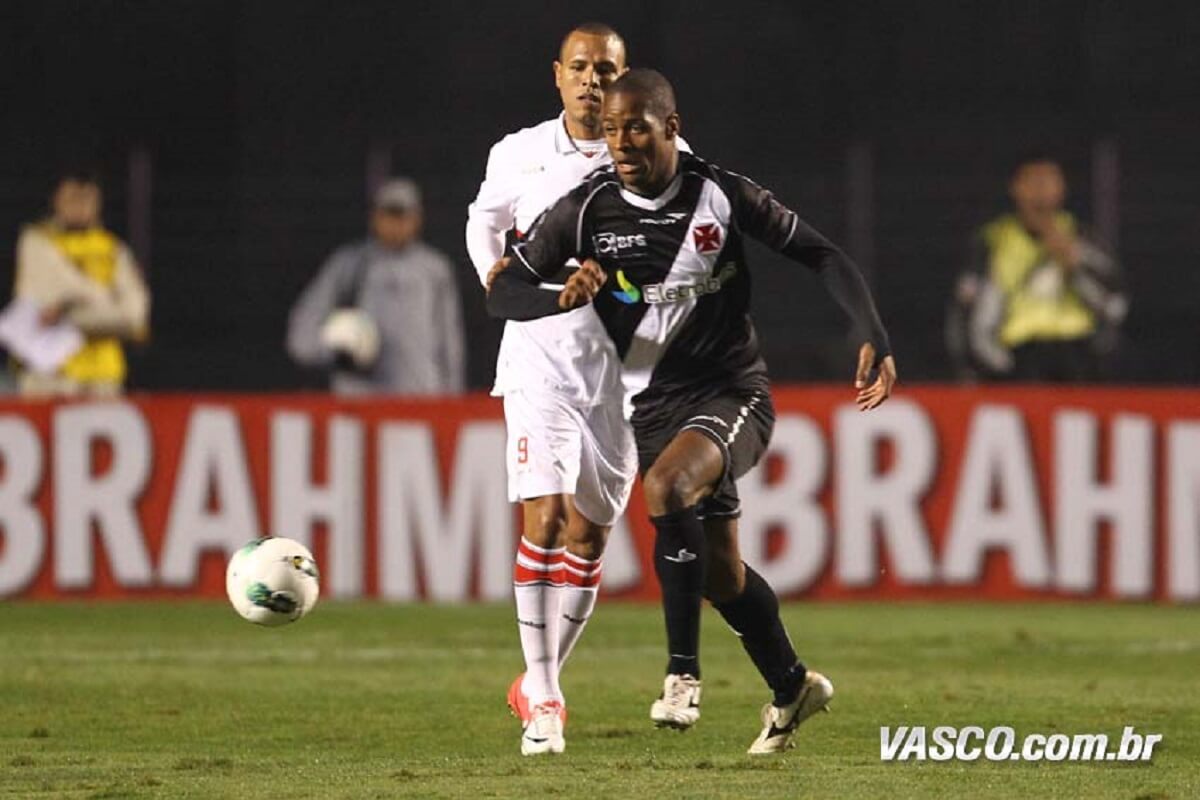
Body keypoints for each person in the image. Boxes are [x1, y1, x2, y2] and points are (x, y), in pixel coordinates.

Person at [488, 69, 897, 754]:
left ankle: (682, 675)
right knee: (721, 574)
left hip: (734, 392)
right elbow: (504, 293)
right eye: (613, 130)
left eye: (636, 127)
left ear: (671, 127)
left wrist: (873, 334)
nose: (620, 142)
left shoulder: (722, 194)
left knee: (666, 488)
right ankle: (792, 686)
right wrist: (559, 296)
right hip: (650, 406)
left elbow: (820, 253)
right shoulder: (586, 209)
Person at [467, 22, 695, 757]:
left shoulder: (667, 158)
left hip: (624, 378)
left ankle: (536, 679)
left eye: (607, 68)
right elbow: (484, 221)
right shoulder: (519, 153)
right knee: (547, 515)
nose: (592, 81)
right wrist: (501, 282)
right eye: (580, 68)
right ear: (557, 75)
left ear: (627, 78)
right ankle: (548, 706)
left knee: (591, 535)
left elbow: (694, 257)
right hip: (541, 362)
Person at [287, 177, 465, 395]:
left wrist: (452, 400)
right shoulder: (351, 264)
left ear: (417, 219)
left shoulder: (434, 270)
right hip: (360, 402)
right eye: (389, 214)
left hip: (420, 399)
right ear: (375, 217)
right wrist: (334, 351)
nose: (396, 224)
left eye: (403, 215)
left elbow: (450, 344)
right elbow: (301, 335)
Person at [962, 156, 1125, 381]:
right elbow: (968, 317)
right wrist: (999, 370)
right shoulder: (993, 241)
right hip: (1018, 361)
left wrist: (1075, 267)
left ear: (1062, 188)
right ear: (1016, 187)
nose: (1041, 190)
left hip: (1078, 359)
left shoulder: (1084, 239)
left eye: (1049, 180)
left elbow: (1116, 305)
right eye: (1033, 181)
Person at [12, 169, 150, 397]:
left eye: (88, 198)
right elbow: (40, 306)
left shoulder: (114, 250)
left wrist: (67, 314)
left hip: (103, 379)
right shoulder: (36, 243)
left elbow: (134, 317)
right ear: (56, 199)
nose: (81, 206)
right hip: (50, 378)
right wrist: (107, 305)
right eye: (73, 197)